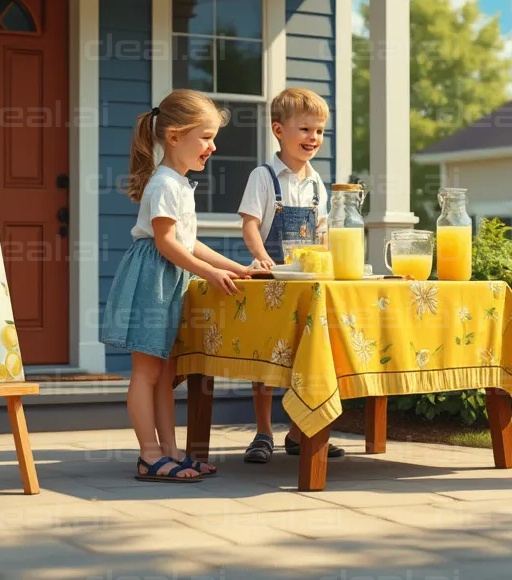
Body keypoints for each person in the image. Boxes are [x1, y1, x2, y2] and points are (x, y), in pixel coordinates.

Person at [100, 89, 252, 483]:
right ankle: (149, 454)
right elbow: (166, 242)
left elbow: (189, 242)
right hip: (152, 281)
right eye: (205, 137)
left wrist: (237, 268)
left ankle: (170, 452)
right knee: (147, 373)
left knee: (165, 374)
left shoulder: (180, 184)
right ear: (173, 137)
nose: (212, 146)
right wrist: (207, 273)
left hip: (169, 278)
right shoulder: (164, 183)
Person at [236, 88, 346, 464]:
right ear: (278, 130)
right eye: (304, 130)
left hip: (306, 283)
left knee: (307, 355)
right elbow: (250, 224)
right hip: (272, 280)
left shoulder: (317, 183)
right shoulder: (263, 177)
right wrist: (262, 257)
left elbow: (323, 230)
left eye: (318, 131)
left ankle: (302, 431)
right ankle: (264, 431)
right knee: (267, 357)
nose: (312, 138)